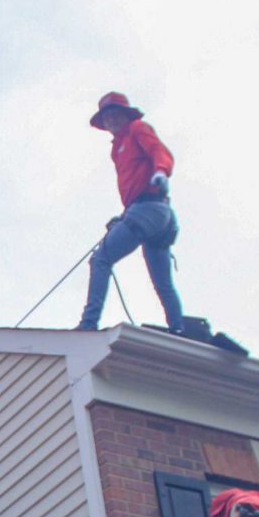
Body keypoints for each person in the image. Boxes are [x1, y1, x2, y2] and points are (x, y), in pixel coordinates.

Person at [76, 93, 194, 337]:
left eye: (114, 114)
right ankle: (178, 328)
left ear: (125, 114)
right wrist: (125, 215)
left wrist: (161, 172)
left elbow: (160, 152)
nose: (111, 120)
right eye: (107, 117)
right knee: (162, 281)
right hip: (153, 213)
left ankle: (88, 323)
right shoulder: (116, 151)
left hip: (150, 209)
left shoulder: (137, 129)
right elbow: (134, 185)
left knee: (100, 259)